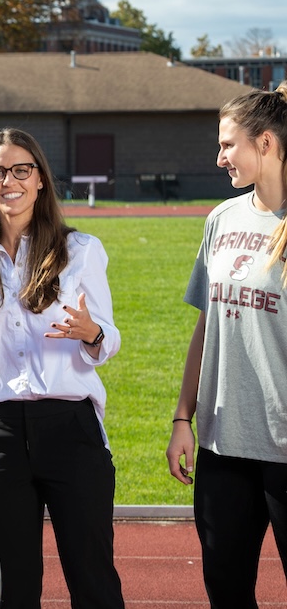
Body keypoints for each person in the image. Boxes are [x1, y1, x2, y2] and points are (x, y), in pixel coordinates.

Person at [0, 128, 125, 608]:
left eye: (21, 169)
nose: (9, 180)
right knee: (15, 588)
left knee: (92, 579)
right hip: (1, 437)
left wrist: (91, 333)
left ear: (40, 180)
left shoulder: (80, 251)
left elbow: (108, 339)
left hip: (70, 429)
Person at [166, 83, 287, 608]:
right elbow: (205, 327)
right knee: (227, 590)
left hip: (284, 448)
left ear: (265, 143)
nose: (219, 158)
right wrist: (181, 419)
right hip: (222, 444)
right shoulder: (222, 219)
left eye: (227, 145)